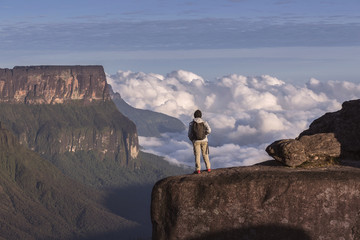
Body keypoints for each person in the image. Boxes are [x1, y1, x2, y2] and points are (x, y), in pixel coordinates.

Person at [188, 109, 211, 174]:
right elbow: (209, 130)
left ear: (194, 115)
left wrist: (192, 140)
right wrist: (205, 134)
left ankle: (198, 170)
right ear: (201, 115)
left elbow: (189, 134)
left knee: (197, 155)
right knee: (205, 154)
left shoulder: (192, 123)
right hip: (204, 141)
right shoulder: (204, 122)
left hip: (196, 141)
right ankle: (208, 168)